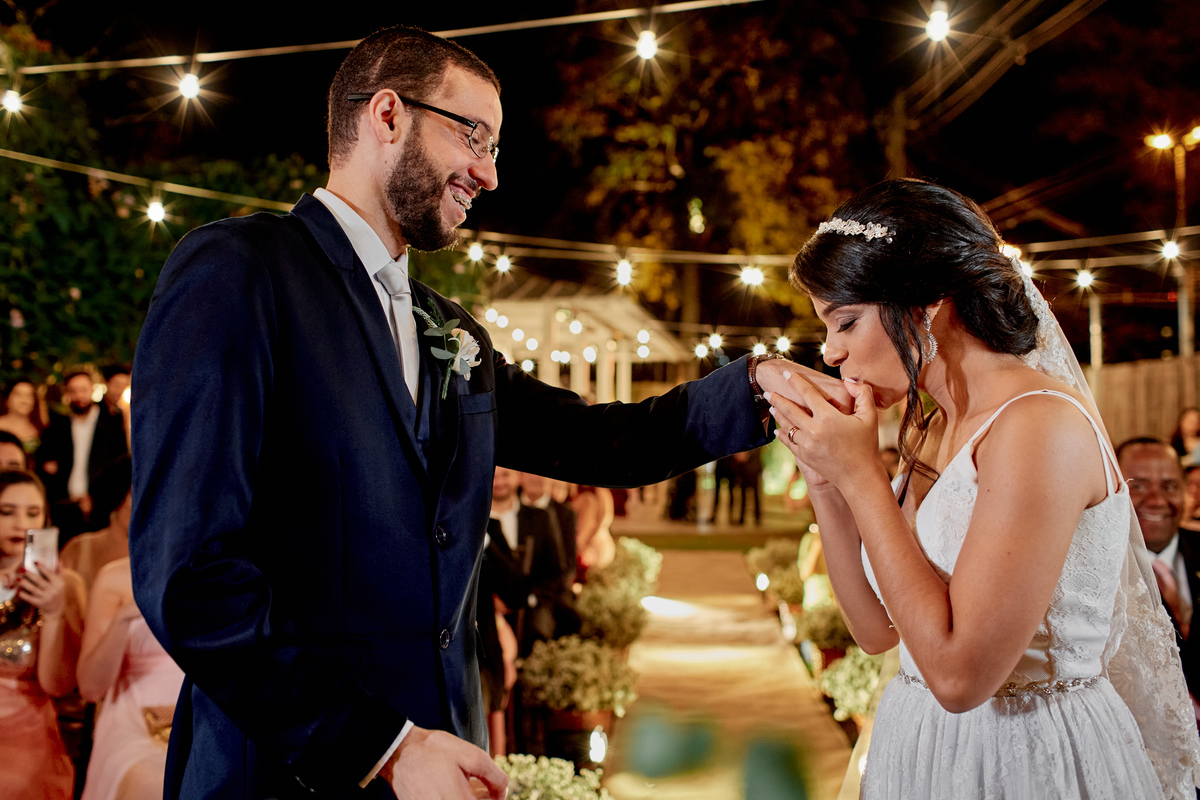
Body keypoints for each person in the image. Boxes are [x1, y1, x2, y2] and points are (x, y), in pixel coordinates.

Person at [130, 25, 811, 800]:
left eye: (496, 149)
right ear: (387, 114)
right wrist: (382, 746)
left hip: (448, 759)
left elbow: (600, 443)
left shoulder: (450, 328)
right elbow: (189, 581)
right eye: (473, 136)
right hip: (284, 772)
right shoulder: (241, 271)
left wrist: (755, 384)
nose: (487, 174)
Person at [769, 178, 1200, 799]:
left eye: (845, 321)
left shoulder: (1038, 425)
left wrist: (862, 476)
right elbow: (875, 630)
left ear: (924, 304)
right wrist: (828, 480)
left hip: (1027, 754)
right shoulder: (936, 426)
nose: (831, 352)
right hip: (921, 745)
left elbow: (958, 674)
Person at [0, 469, 86, 799]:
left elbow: (59, 685)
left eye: (32, 513)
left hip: (24, 732)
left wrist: (53, 612)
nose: (21, 523)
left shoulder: (65, 585)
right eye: (7, 512)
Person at [77, 556, 185, 800]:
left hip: (205, 710)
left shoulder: (227, 568)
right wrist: (124, 616)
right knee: (152, 780)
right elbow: (90, 688)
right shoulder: (116, 576)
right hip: (134, 716)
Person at [36, 371, 129, 544]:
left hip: (98, 510)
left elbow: (118, 468)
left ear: (92, 390)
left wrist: (94, 497)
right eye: (73, 391)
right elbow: (45, 464)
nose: (79, 396)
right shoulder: (59, 426)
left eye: (83, 390)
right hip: (64, 507)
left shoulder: (111, 425)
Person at [0, 379, 45, 455]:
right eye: (18, 394)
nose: (24, 400)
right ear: (7, 399)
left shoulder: (40, 430)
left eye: (29, 395)